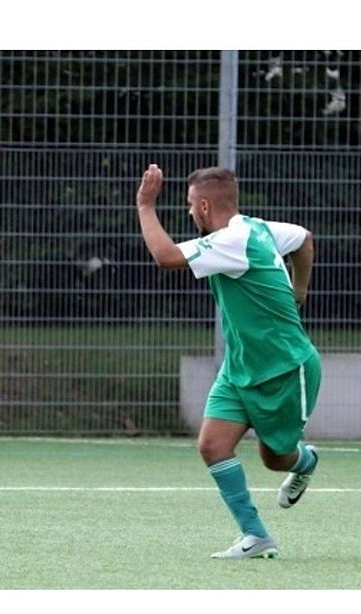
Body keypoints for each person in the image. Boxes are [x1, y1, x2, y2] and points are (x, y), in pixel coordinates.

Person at [135, 164, 321, 559]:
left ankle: (305, 460)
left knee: (275, 458)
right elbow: (304, 239)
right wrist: (300, 288)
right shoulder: (257, 228)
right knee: (212, 445)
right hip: (240, 369)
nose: (188, 213)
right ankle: (256, 536)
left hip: (286, 369)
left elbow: (165, 256)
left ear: (204, 206)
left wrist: (145, 205)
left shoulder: (233, 240)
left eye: (189, 206)